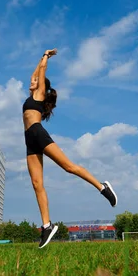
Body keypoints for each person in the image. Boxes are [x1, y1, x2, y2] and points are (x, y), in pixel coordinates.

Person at [22, 48, 118, 248]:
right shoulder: (33, 92)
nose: (31, 81)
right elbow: (34, 73)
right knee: (36, 183)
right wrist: (39, 59)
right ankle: (47, 226)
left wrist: (45, 57)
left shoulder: (39, 93)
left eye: (35, 80)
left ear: (41, 85)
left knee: (68, 166)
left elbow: (40, 73)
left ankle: (102, 187)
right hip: (29, 139)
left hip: (38, 134)